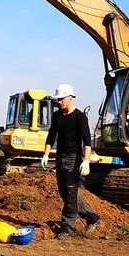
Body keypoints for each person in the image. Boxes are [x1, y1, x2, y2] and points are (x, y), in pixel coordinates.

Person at [40, 83, 102, 239]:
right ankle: (92, 218)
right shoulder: (57, 116)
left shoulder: (80, 117)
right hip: (60, 157)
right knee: (64, 192)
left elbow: (87, 141)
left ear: (69, 98)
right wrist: (46, 155)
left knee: (70, 191)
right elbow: (51, 136)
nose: (59, 102)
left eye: (61, 99)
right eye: (57, 100)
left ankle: (67, 228)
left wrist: (86, 160)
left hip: (74, 158)